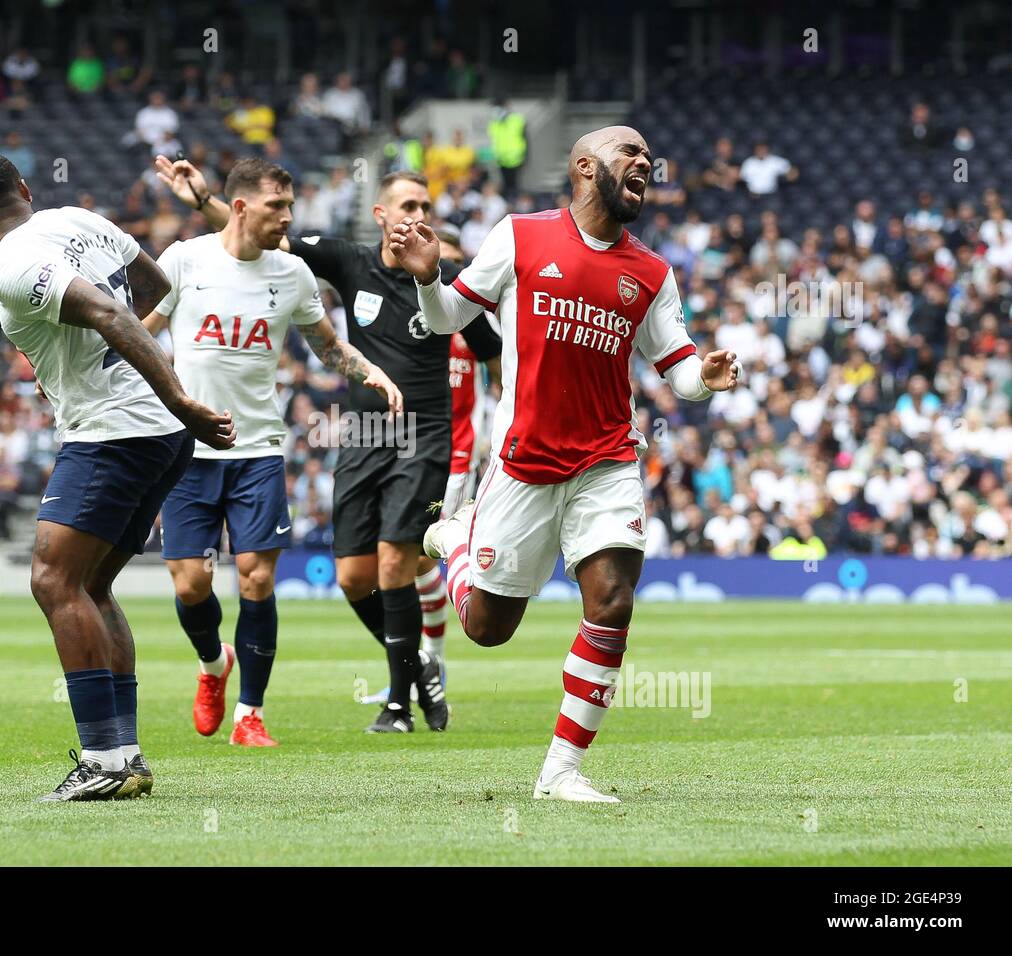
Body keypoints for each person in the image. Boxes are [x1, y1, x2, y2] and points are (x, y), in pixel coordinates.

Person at [389, 126, 740, 801]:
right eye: (629, 153)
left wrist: (707, 375)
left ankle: (562, 770)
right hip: (525, 464)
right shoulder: (521, 235)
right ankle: (454, 538)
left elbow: (680, 370)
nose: (644, 162)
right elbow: (446, 318)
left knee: (612, 601)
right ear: (585, 166)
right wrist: (430, 277)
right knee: (489, 630)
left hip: (607, 460)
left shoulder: (652, 274)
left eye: (649, 156)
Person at [155, 158, 501, 734]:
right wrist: (202, 200)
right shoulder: (349, 260)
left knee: (396, 564)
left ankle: (394, 703)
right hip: (363, 437)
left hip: (425, 436)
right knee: (353, 577)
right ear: (380, 213)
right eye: (407, 205)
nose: (417, 216)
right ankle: (419, 671)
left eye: (425, 208)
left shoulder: (444, 283)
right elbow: (261, 235)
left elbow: (491, 351)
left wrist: (502, 418)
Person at [0, 151, 235, 801]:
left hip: (117, 430)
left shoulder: (17, 265)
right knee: (94, 585)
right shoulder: (80, 218)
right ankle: (125, 756)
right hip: (153, 434)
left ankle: (104, 760)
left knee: (52, 579)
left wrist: (179, 401)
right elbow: (156, 289)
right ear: (24, 188)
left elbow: (110, 315)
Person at [145, 158, 401, 747]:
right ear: (239, 207)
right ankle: (214, 663)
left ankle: (250, 714)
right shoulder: (186, 260)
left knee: (256, 580)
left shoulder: (291, 275)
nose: (286, 218)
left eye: (289, 206)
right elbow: (143, 328)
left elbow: (329, 348)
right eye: (275, 207)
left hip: (257, 449)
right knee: (190, 585)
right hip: (188, 447)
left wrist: (372, 373)